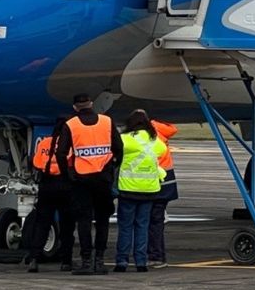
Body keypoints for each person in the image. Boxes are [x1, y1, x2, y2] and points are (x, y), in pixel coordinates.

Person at [53, 93, 123, 276]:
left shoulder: (71, 124)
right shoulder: (107, 121)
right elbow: (119, 147)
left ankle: (86, 261)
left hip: (81, 179)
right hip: (103, 178)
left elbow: (61, 153)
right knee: (102, 220)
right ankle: (99, 261)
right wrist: (113, 167)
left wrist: (67, 174)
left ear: (75, 107)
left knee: (83, 221)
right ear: (92, 104)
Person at [112, 110, 168, 273]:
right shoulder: (154, 141)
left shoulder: (125, 140)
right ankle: (141, 262)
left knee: (125, 227)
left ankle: (122, 261)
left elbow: (115, 151)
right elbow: (162, 151)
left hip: (128, 189)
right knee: (142, 226)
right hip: (149, 190)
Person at [22, 115, 76, 273]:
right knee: (67, 226)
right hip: (65, 185)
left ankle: (34, 258)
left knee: (42, 224)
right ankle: (66, 261)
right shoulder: (70, 145)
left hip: (46, 185)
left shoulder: (45, 143)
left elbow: (36, 162)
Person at [147, 118, 180, 268]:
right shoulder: (161, 134)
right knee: (157, 222)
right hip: (167, 185)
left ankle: (153, 255)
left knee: (145, 222)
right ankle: (158, 256)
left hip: (147, 187)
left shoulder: (139, 138)